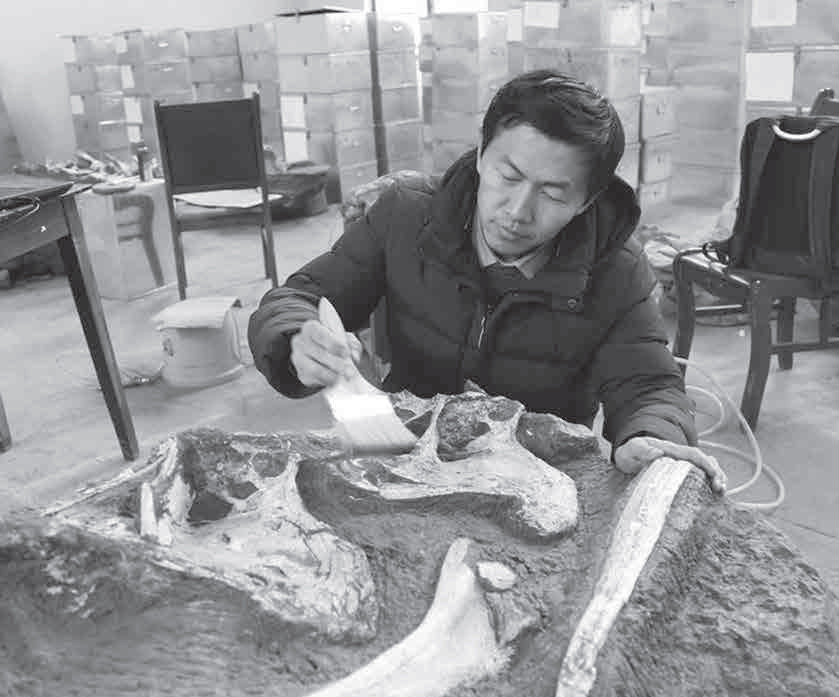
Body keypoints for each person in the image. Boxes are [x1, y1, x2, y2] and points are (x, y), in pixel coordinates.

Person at [248, 70, 726, 493]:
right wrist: (295, 337)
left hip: (538, 476)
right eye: (508, 176)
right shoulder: (406, 217)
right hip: (406, 453)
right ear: (480, 154)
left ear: (587, 201)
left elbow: (647, 384)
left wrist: (651, 436)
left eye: (552, 194)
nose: (517, 212)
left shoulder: (616, 268)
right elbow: (298, 296)